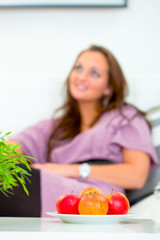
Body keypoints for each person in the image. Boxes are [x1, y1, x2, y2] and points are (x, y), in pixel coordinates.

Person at [1, 45, 159, 217]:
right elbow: (13, 145)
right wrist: (9, 162)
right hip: (54, 189)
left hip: (94, 197)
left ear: (109, 87)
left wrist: (66, 170)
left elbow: (137, 176)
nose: (82, 77)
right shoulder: (56, 127)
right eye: (78, 68)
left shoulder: (126, 118)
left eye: (95, 73)